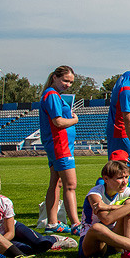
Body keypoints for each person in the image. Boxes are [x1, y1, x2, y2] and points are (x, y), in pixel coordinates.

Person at [0, 168, 73, 255]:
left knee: (40, 243)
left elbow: (10, 232)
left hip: (11, 229)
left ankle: (54, 239)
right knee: (27, 251)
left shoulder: (5, 201)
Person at [38, 65, 82, 235]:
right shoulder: (52, 95)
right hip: (60, 145)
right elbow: (58, 122)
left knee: (55, 184)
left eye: (70, 82)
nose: (68, 85)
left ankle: (52, 223)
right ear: (55, 77)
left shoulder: (52, 95)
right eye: (65, 80)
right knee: (70, 185)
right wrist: (74, 120)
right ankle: (76, 224)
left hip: (59, 145)